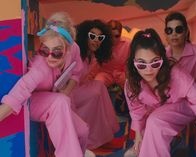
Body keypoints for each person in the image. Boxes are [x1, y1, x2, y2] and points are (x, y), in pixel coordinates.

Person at [124, 28, 196, 157]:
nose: (148, 70)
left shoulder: (176, 74)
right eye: (141, 64)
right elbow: (136, 111)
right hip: (156, 113)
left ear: (162, 60)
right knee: (147, 130)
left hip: (184, 107)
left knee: (155, 121)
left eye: (155, 63)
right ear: (133, 63)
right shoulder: (131, 83)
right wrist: (137, 136)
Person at [0, 12, 91, 157]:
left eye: (56, 53)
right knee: (60, 101)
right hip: (31, 102)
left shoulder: (75, 50)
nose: (49, 57)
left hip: (56, 101)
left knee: (82, 131)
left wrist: (66, 91)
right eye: (44, 50)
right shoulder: (40, 67)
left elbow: (76, 73)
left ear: (68, 49)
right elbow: (20, 91)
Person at [164, 11, 196, 155]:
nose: (174, 34)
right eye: (169, 30)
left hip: (192, 106)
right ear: (165, 33)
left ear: (186, 32)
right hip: (167, 103)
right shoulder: (163, 55)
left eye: (178, 30)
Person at [72, 19, 119, 149]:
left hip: (78, 89)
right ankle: (86, 137)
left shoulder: (91, 56)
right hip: (69, 93)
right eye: (92, 36)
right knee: (95, 90)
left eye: (100, 37)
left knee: (99, 87)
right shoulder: (75, 52)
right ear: (83, 36)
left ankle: (101, 131)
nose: (96, 40)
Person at [94, 20, 131, 89]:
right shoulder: (100, 43)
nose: (113, 39)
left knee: (131, 85)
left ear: (120, 34)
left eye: (116, 36)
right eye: (110, 36)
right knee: (97, 85)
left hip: (122, 74)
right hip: (105, 73)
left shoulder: (128, 44)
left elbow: (131, 63)